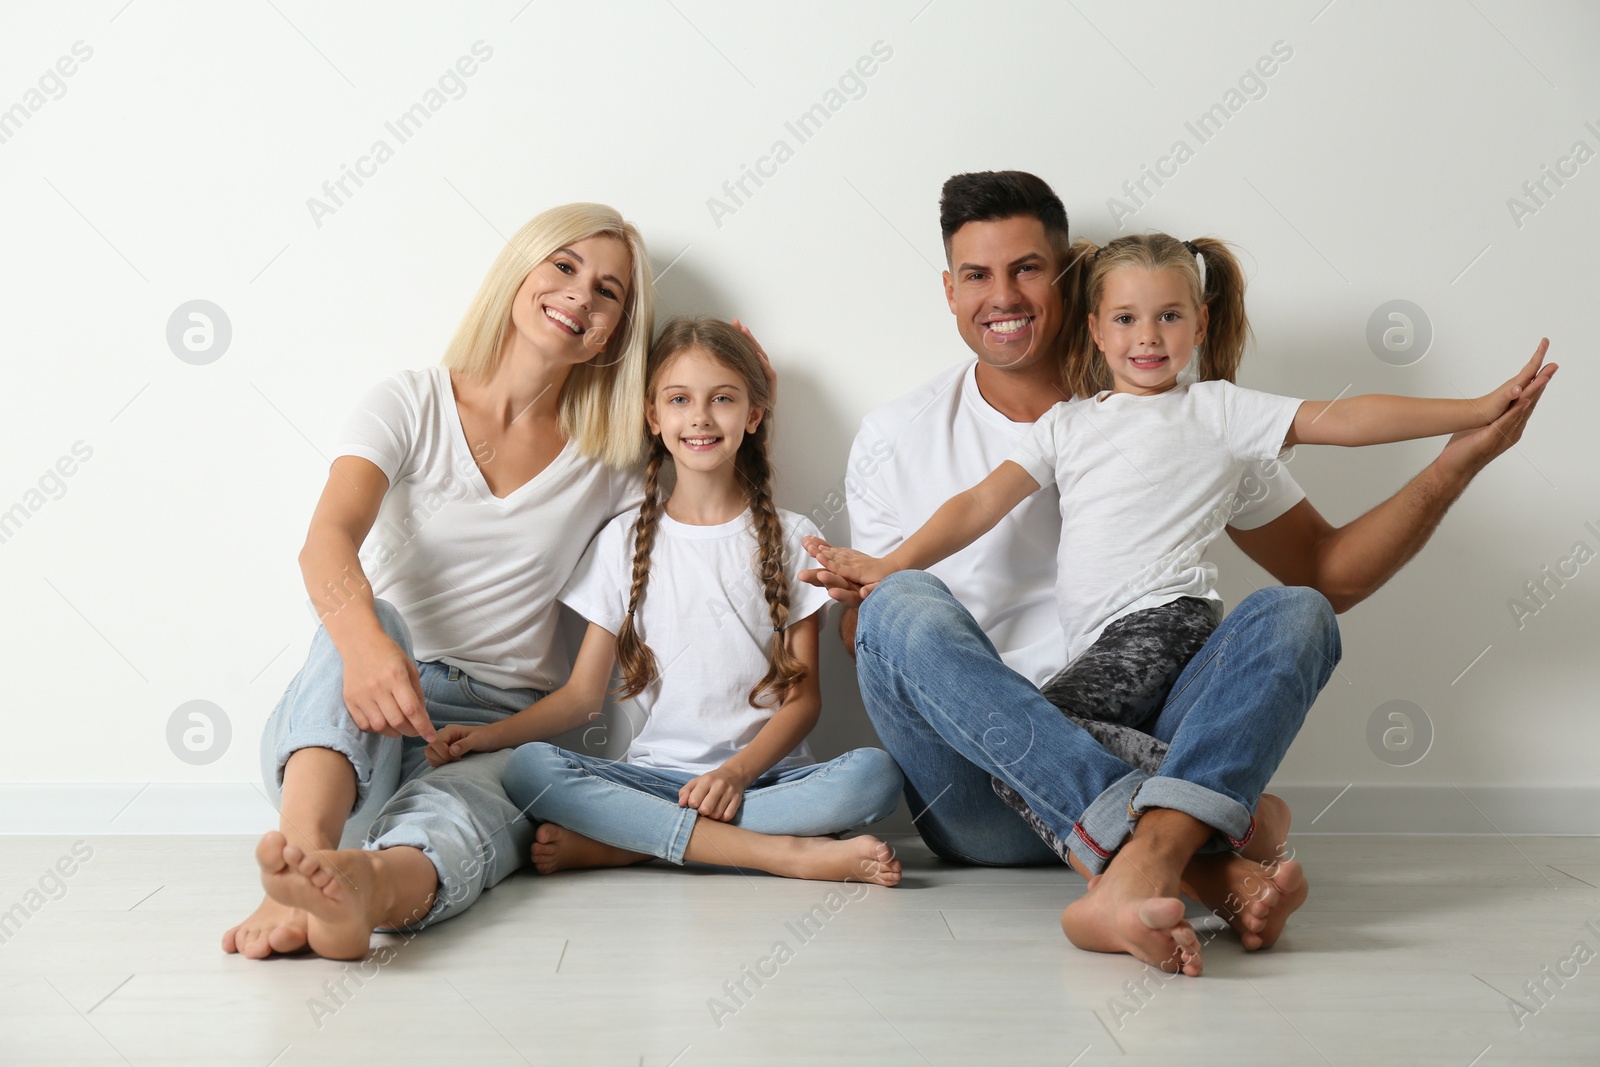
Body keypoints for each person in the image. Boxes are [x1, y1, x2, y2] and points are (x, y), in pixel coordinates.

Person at [801, 171, 1555, 974]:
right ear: (950, 291)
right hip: (979, 792)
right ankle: (1207, 848)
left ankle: (1142, 864)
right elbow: (882, 629)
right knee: (901, 600)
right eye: (977, 276)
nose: (1003, 296)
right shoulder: (909, 433)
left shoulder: (1199, 422)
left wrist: (1461, 456)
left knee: (1295, 610)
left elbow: (1329, 570)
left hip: (1148, 720)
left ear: (1068, 283)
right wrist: (879, 573)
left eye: (1025, 268)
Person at [223, 203, 658, 960]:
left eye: (608, 291)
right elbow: (325, 542)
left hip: (491, 728)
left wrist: (742, 380)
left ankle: (356, 889)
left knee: (471, 809)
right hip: (349, 720)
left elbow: (709, 462)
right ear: (520, 271)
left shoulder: (612, 462)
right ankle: (298, 856)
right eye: (564, 266)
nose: (581, 295)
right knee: (374, 613)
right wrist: (363, 648)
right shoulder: (411, 401)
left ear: (616, 331)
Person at [427, 318, 904, 885]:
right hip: (655, 779)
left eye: (723, 399)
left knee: (874, 776)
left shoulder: (792, 535)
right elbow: (582, 698)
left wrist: (734, 774)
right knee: (531, 769)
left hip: (767, 778)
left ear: (753, 416)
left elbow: (804, 704)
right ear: (654, 417)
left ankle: (635, 843)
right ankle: (780, 853)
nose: (700, 417)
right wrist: (487, 736)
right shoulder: (622, 541)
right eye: (679, 400)